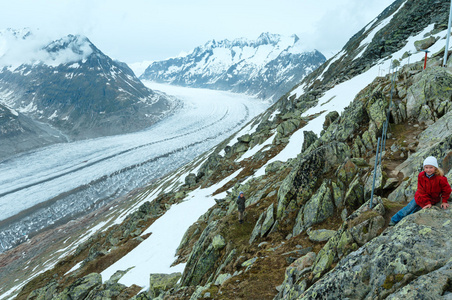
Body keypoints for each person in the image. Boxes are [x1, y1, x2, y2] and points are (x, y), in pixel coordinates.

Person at [389, 156, 451, 226]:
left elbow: (447, 190)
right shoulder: (421, 175)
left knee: (415, 212)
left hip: (432, 200)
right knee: (408, 208)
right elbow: (421, 190)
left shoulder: (440, 178)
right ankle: (394, 220)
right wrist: (427, 202)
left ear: (435, 168)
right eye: (426, 167)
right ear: (424, 168)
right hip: (419, 197)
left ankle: (403, 223)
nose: (428, 170)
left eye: (431, 167)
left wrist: (444, 201)